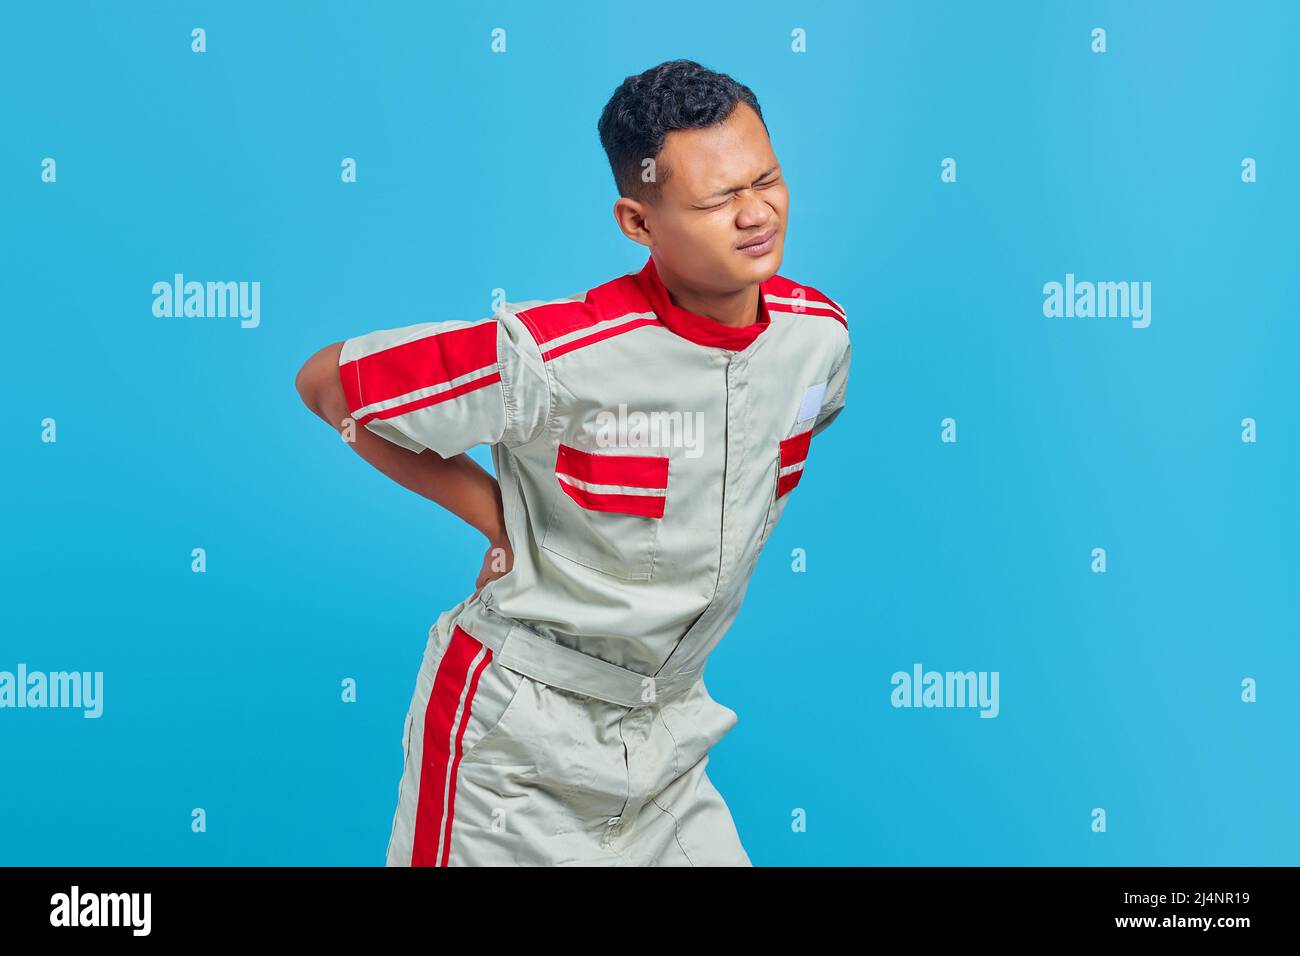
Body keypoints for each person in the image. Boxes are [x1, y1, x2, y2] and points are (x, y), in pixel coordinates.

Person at [296, 59, 850, 866]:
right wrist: (498, 520)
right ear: (638, 221)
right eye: (716, 200)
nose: (756, 213)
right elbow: (329, 386)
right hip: (512, 750)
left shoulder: (818, 340)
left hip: (669, 735)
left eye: (766, 180)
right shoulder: (556, 357)